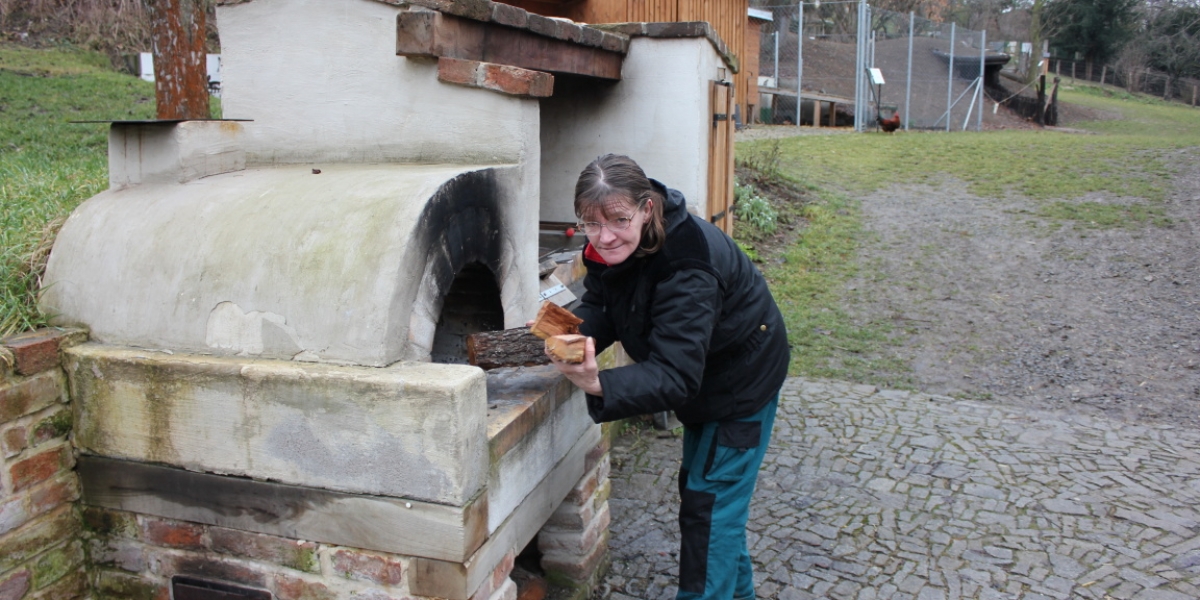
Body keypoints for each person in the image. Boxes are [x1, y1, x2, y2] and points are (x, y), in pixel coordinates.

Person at [545, 154, 790, 600]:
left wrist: (600, 384)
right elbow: (602, 305)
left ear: (647, 209)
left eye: (618, 220)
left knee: (709, 509)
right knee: (709, 499)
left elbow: (676, 376)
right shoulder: (609, 243)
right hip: (704, 381)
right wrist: (573, 336)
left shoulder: (688, 265)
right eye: (590, 224)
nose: (604, 237)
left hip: (740, 384)